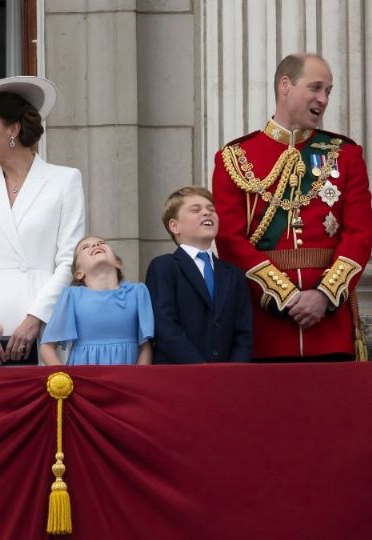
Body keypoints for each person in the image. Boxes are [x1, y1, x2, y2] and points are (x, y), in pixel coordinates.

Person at [212, 53, 372, 362]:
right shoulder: (235, 157)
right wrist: (284, 296)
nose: (323, 99)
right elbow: (230, 241)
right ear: (285, 85)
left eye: (328, 91)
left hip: (330, 328)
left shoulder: (345, 155)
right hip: (265, 328)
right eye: (315, 88)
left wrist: (325, 295)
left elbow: (360, 235)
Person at [0, 75, 85, 366]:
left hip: (46, 319)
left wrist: (36, 318)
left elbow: (68, 260)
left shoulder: (65, 180)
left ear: (13, 128)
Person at [145, 187, 253, 364]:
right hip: (180, 376)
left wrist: (235, 372)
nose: (206, 213)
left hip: (227, 379)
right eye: (196, 210)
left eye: (211, 209)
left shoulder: (234, 274)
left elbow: (243, 333)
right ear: (175, 226)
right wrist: (200, 369)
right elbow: (166, 326)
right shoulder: (164, 267)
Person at [39, 236, 153, 366]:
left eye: (101, 243)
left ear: (117, 263)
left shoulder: (137, 292)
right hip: (84, 379)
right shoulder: (72, 296)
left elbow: (145, 346)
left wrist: (137, 380)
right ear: (79, 273)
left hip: (127, 378)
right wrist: (64, 379)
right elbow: (47, 348)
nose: (95, 246)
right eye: (85, 247)